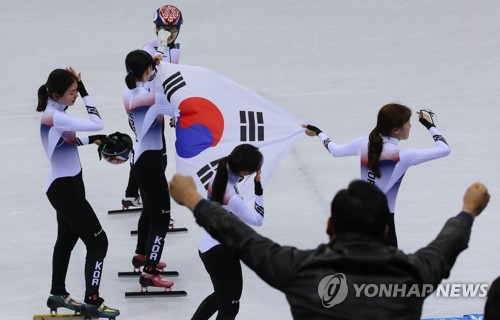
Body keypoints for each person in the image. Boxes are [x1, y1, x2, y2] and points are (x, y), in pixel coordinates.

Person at [169, 174, 490, 320]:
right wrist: (467, 210)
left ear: (330, 227)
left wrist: (194, 200)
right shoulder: (414, 273)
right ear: (385, 230)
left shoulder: (300, 269)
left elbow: (244, 239)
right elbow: (447, 244)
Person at [302, 103, 451, 247]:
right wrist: (430, 125)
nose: (410, 126)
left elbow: (334, 151)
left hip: (358, 218)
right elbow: (445, 149)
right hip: (383, 222)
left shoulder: (364, 142)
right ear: (396, 130)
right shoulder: (402, 156)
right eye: (408, 122)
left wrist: (319, 133)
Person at [37, 68, 119, 318]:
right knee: (98, 242)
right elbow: (98, 122)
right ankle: (92, 300)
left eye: (76, 92)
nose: (74, 97)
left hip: (65, 186)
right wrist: (84, 89)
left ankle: (57, 293)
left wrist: (92, 140)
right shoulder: (56, 116)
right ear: (56, 94)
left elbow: (65, 142)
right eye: (71, 93)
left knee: (66, 240)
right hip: (66, 190)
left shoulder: (57, 112)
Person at [191, 144, 264, 320]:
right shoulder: (232, 197)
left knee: (220, 296)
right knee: (230, 306)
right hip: (221, 253)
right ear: (245, 172)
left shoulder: (220, 173)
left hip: (209, 246)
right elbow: (258, 219)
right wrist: (258, 187)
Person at [123, 49, 176, 288]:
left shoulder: (130, 91)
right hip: (151, 161)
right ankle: (150, 271)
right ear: (146, 70)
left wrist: (152, 68)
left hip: (141, 160)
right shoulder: (151, 96)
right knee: (162, 218)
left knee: (151, 211)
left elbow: (153, 88)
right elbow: (175, 103)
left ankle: (142, 254)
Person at [121, 4, 183, 208]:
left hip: (159, 106)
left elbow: (171, 79)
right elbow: (147, 82)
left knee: (144, 150)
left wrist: (173, 107)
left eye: (174, 30)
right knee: (155, 157)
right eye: (165, 29)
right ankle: (155, 205)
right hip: (147, 107)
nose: (170, 34)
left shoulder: (175, 48)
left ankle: (131, 195)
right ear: (156, 28)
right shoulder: (148, 50)